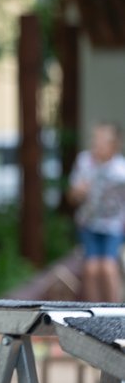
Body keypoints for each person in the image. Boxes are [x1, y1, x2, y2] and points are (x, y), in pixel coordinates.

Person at [68, 121, 125, 303]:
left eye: (102, 141)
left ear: (114, 145)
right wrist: (79, 192)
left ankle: (115, 312)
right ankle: (94, 312)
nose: (96, 145)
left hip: (113, 226)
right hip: (89, 224)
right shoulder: (84, 162)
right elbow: (72, 197)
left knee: (108, 267)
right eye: (95, 140)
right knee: (91, 268)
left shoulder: (120, 170)